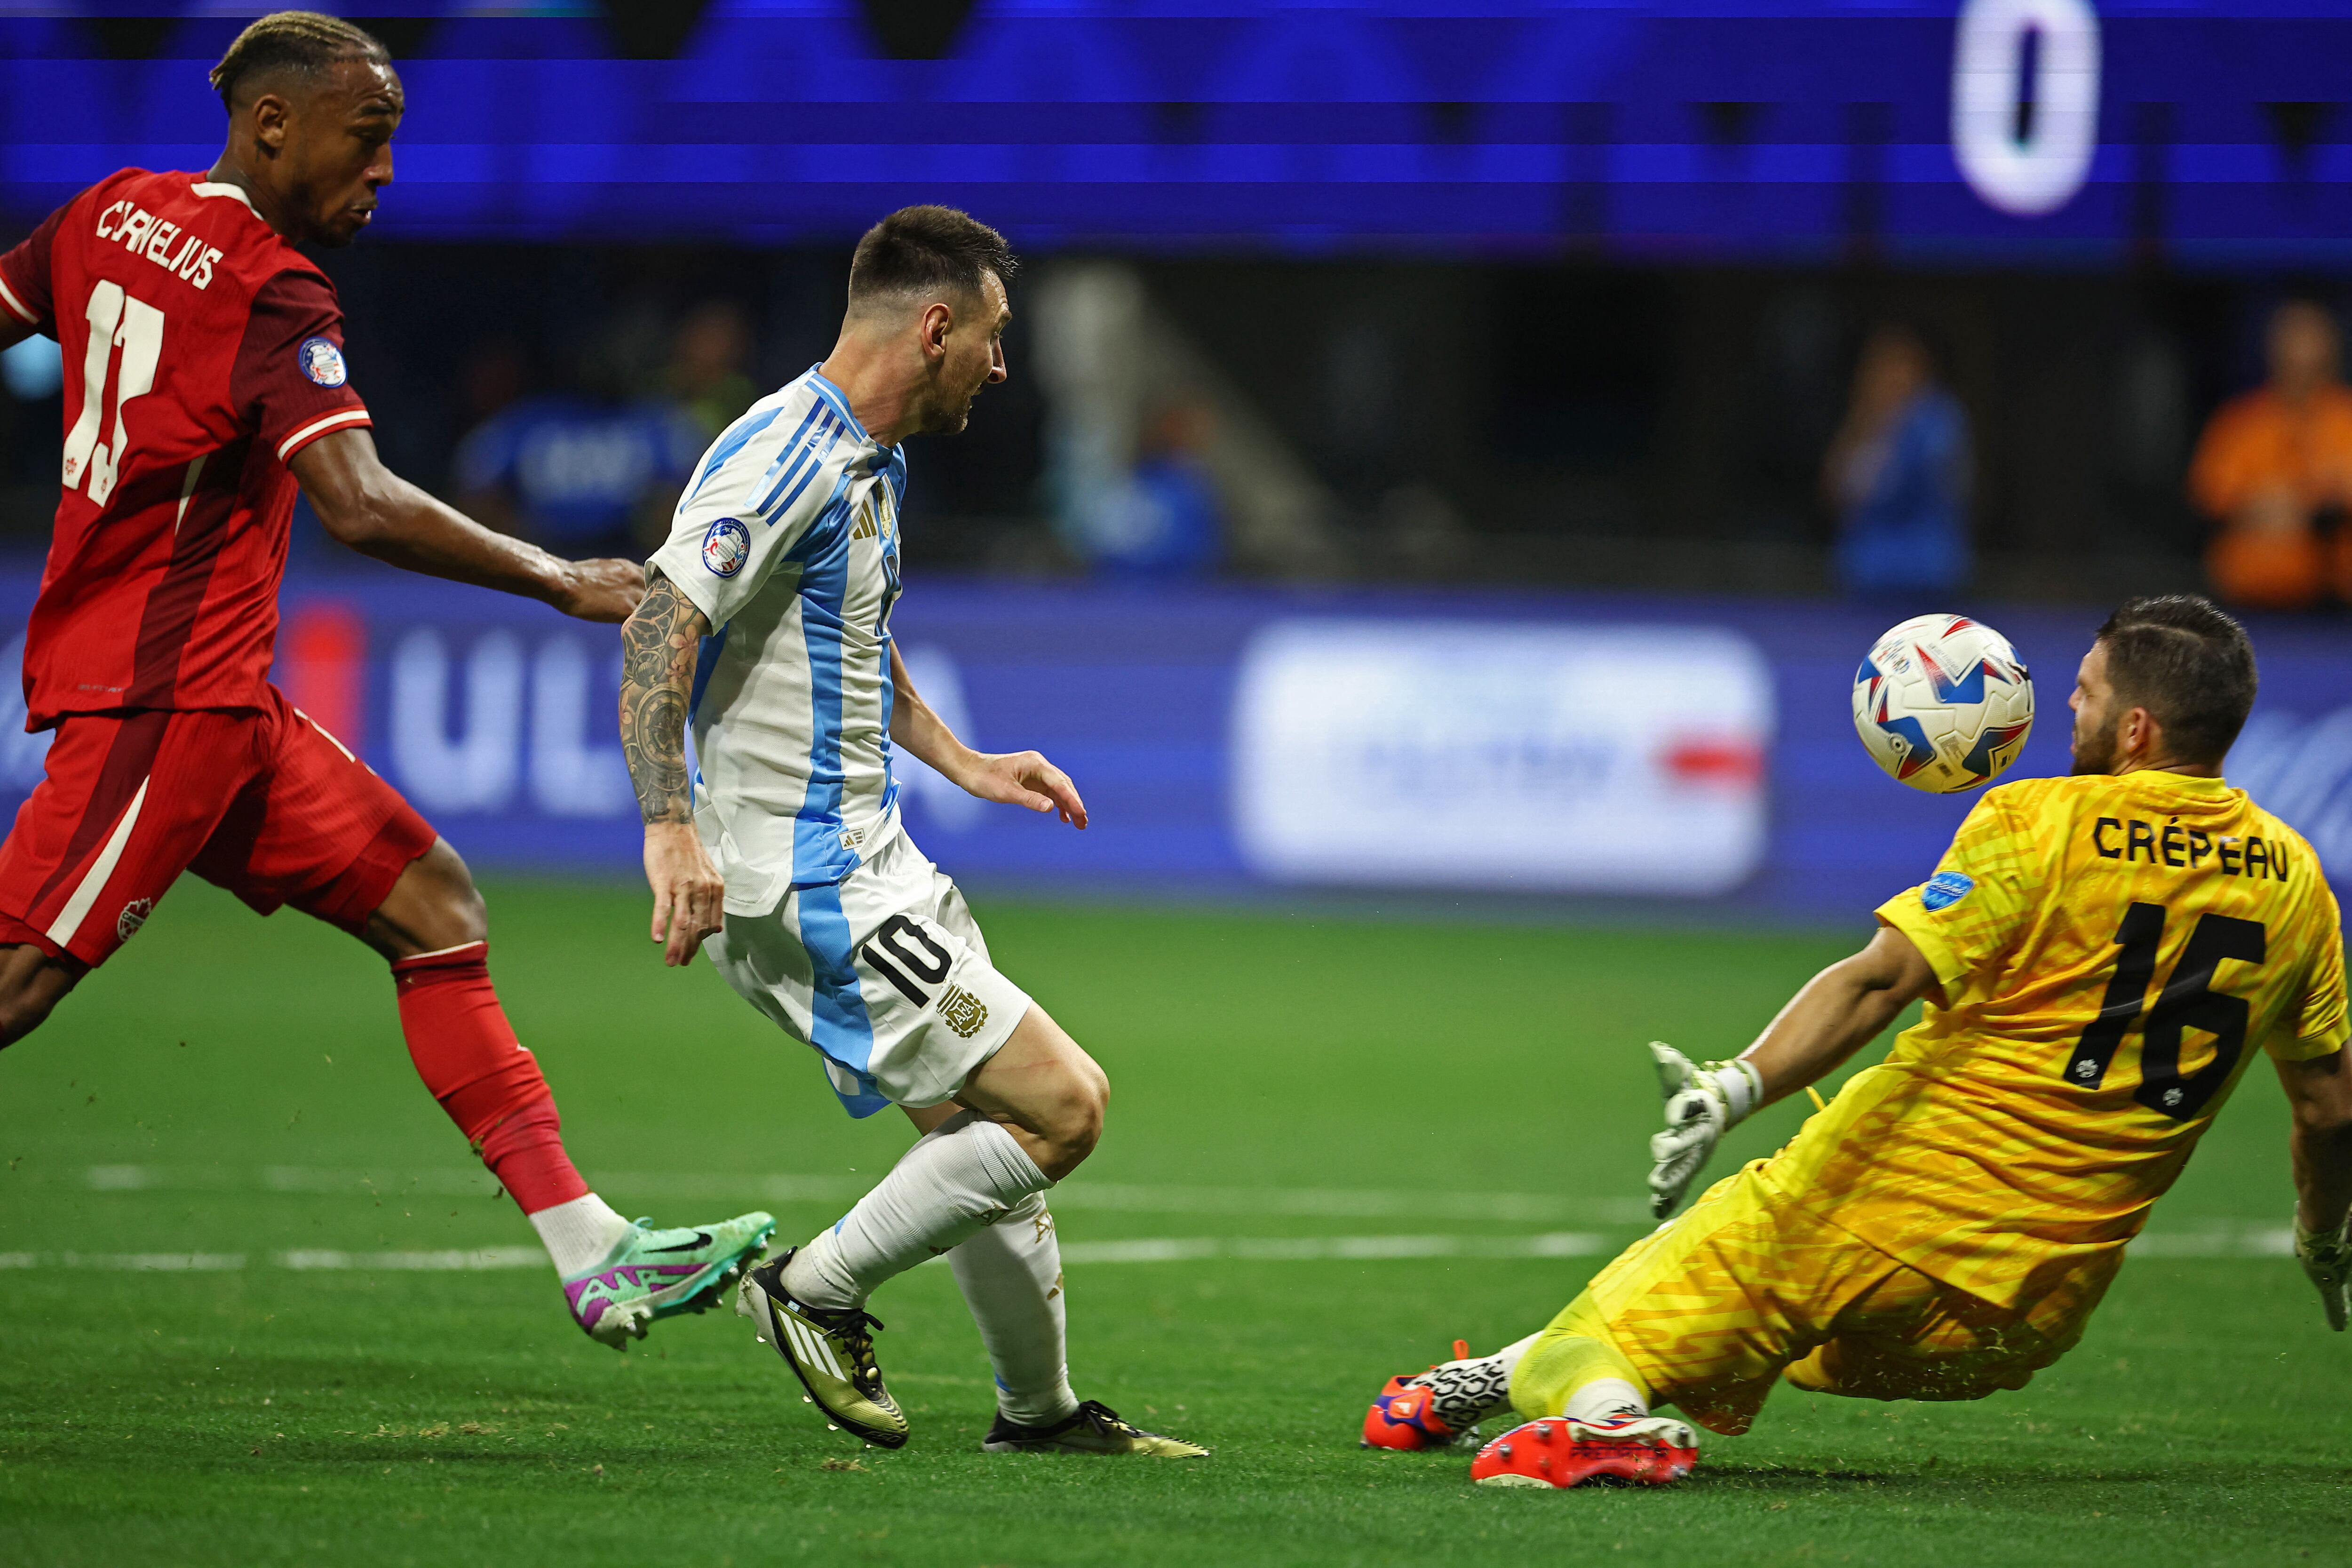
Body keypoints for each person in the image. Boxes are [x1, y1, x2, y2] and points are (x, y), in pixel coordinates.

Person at [0, 11, 771, 1346]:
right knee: (15, 978)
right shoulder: (273, 287)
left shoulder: (105, 214)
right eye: (370, 139)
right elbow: (354, 502)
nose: (388, 172)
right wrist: (556, 575)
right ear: (274, 123)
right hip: (161, 703)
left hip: (222, 703)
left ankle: (595, 1251)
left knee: (435, 902)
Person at [1361, 595, 2351, 1489]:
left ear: (2136, 726)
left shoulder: (2040, 820)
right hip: (2024, 1313)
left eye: (2084, 696)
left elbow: (1882, 978)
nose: (2067, 713)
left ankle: (1612, 1427)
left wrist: (1736, 1084)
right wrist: (2321, 1238)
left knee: (1600, 1342)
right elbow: (2329, 1107)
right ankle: (1460, 1386)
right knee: (1736, 1326)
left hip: (1880, 1200)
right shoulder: (2298, 882)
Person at [620, 206, 1204, 1458]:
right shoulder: (781, 454)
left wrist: (963, 758)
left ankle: (1038, 1416)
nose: (1003, 365)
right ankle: (812, 1287)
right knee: (1064, 1106)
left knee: (978, 1130)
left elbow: (854, 635)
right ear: (934, 327)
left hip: (874, 855)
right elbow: (658, 620)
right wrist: (670, 825)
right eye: (993, 338)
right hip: (805, 877)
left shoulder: (872, 456)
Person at [2188, 299, 2352, 612]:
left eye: (2311, 336)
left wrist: (2309, 507)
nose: (2300, 351)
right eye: (2290, 336)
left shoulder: (2346, 419)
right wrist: (2261, 508)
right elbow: (2210, 497)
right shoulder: (2241, 422)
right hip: (2248, 597)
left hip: (2336, 606)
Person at [1823, 325, 1972, 600]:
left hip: (1927, 573)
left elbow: (1917, 484)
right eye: (1879, 368)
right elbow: (1837, 491)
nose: (1888, 376)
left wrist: (1895, 430)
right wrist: (1866, 428)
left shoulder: (1937, 420)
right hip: (1866, 572)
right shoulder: (1863, 419)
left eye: (1898, 366)